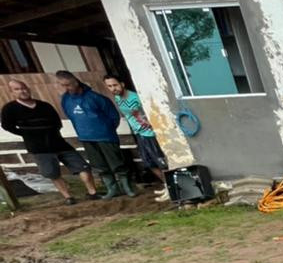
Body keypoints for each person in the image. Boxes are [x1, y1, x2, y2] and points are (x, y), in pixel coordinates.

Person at [1, 78, 101, 205]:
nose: (23, 91)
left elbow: (57, 123)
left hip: (59, 143)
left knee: (82, 167)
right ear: (12, 92)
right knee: (52, 174)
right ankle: (68, 197)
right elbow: (7, 126)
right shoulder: (9, 109)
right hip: (39, 148)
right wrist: (27, 134)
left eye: (24, 87)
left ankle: (92, 192)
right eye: (18, 89)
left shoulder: (44, 105)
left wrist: (52, 132)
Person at [56, 70, 135, 199]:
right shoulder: (66, 99)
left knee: (117, 163)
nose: (66, 88)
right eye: (63, 85)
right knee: (99, 165)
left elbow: (113, 116)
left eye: (68, 84)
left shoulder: (96, 98)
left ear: (76, 82)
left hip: (105, 136)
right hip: (86, 137)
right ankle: (112, 188)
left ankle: (128, 187)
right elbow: (70, 115)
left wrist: (107, 130)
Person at [103, 75, 168, 184]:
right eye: (109, 86)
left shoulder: (136, 97)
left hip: (149, 133)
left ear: (122, 84)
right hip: (138, 133)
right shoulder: (118, 98)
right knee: (148, 162)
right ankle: (166, 184)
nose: (113, 88)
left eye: (115, 85)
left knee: (161, 161)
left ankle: (172, 187)